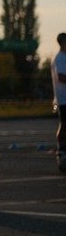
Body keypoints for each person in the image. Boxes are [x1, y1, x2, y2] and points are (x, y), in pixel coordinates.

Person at [53, 32, 66, 173]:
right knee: (64, 124)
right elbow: (61, 77)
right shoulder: (60, 58)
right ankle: (61, 151)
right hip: (63, 98)